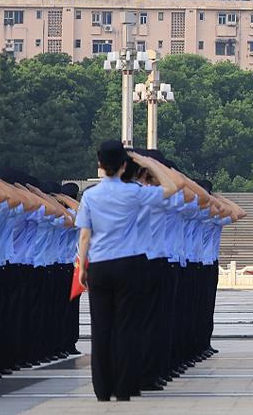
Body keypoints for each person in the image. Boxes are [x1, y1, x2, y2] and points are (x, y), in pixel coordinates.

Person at [74, 142, 178, 402]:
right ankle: (124, 388)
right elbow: (172, 188)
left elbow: (85, 234)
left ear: (99, 165)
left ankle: (102, 388)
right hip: (130, 263)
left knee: (101, 329)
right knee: (127, 327)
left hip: (99, 263)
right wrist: (150, 163)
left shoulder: (90, 196)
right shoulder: (134, 193)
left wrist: (82, 266)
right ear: (123, 165)